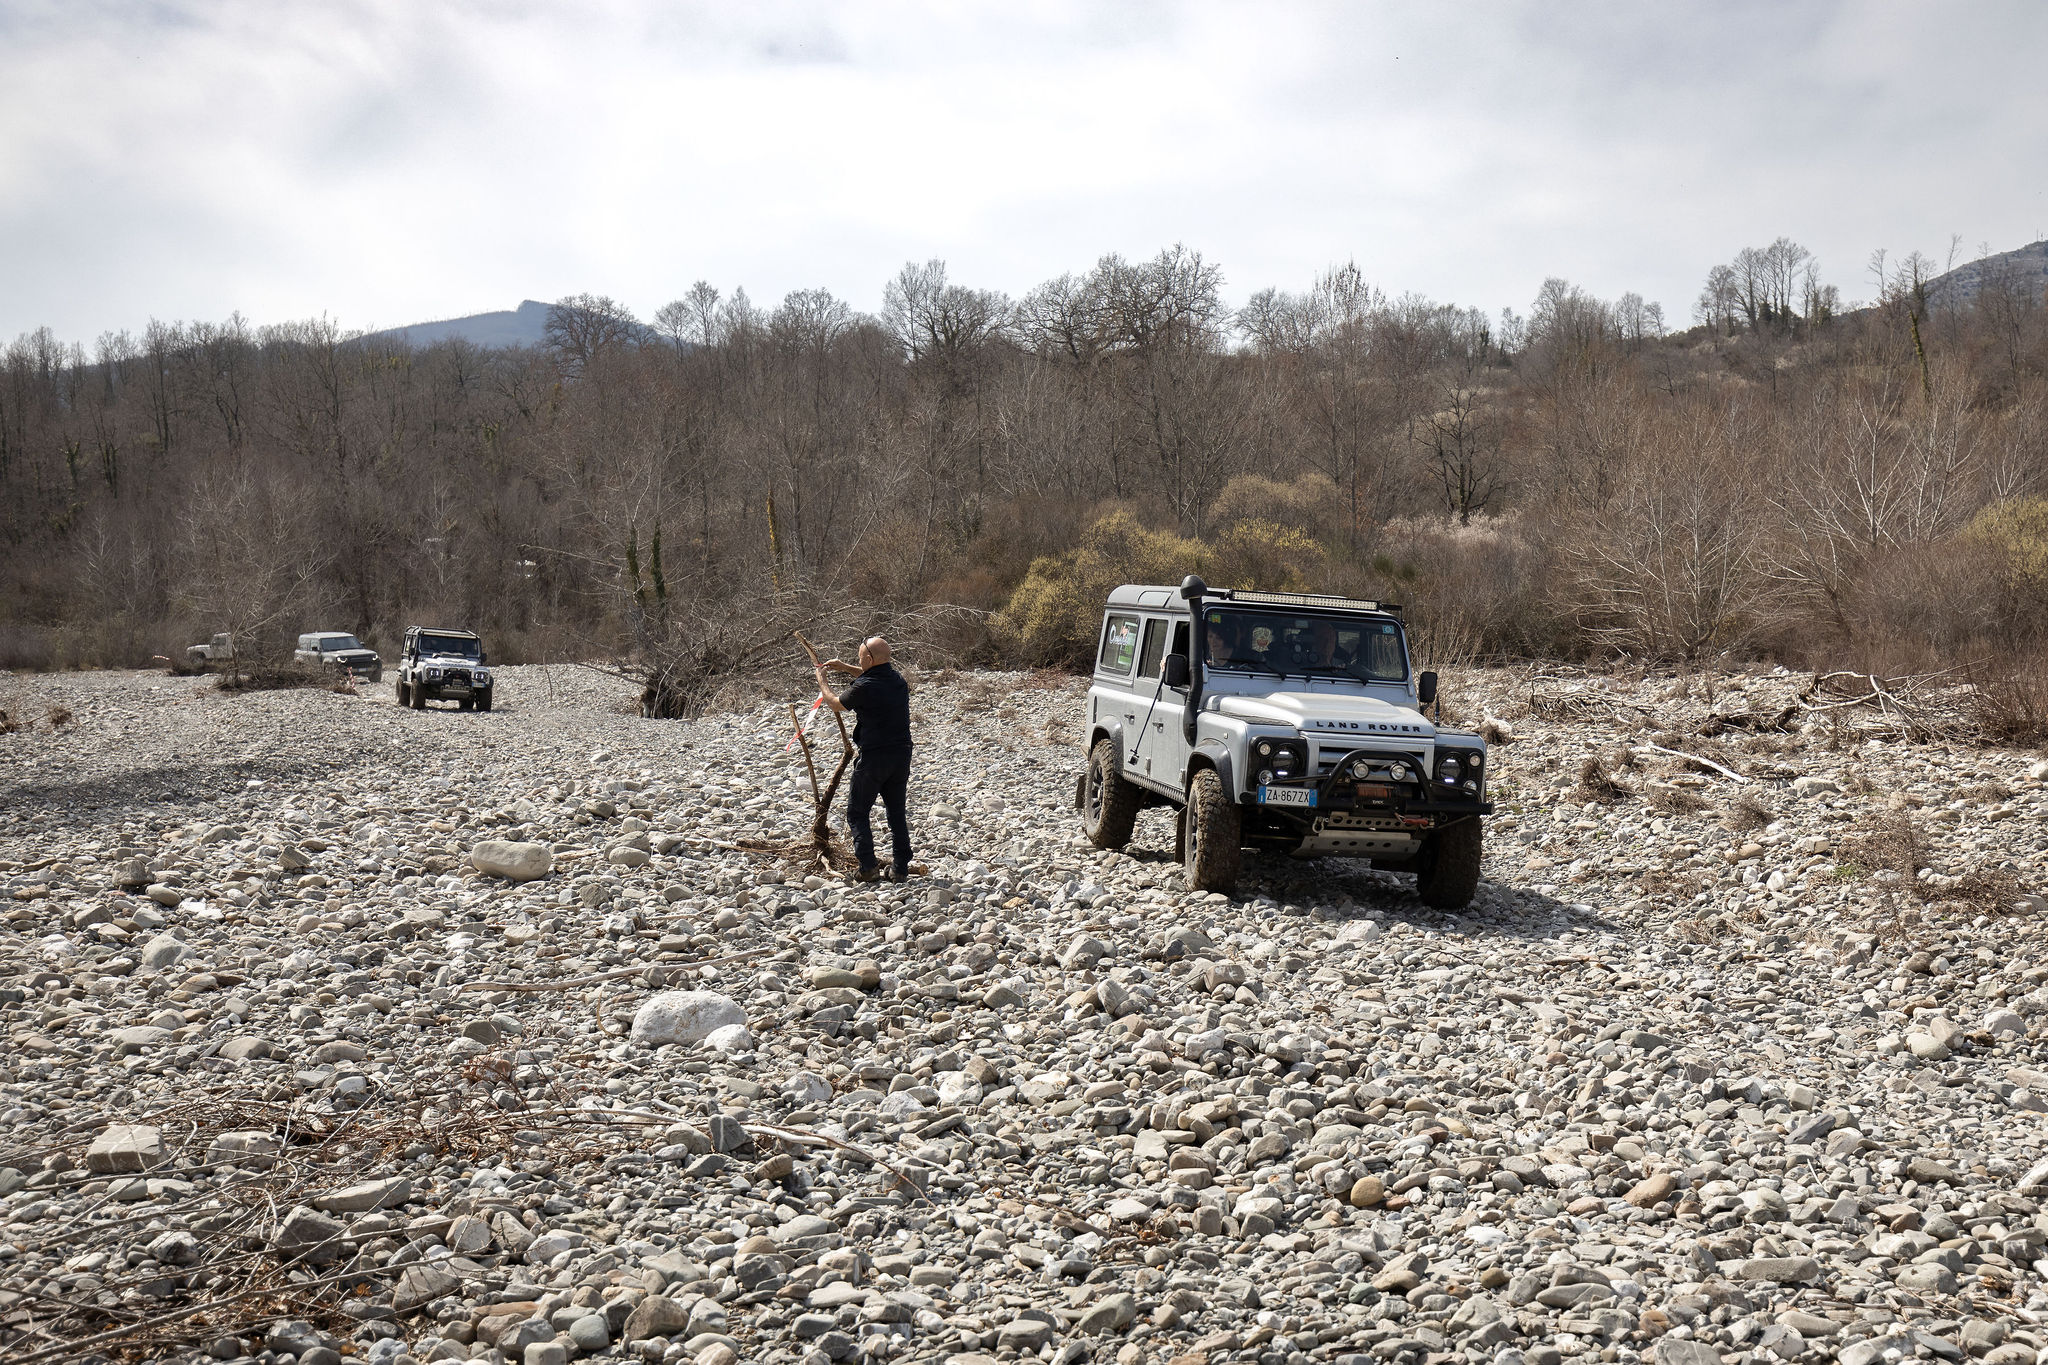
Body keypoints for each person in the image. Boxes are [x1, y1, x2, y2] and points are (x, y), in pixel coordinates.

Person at [814, 636, 914, 882]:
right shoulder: (897, 680)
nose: (858, 661)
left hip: (874, 757)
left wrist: (822, 681)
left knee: (857, 812)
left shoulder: (866, 686)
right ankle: (900, 868)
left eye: (860, 658)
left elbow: (835, 704)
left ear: (869, 659)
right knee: (896, 812)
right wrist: (845, 667)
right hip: (901, 755)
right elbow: (871, 676)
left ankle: (868, 866)